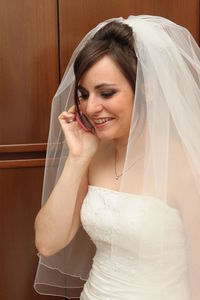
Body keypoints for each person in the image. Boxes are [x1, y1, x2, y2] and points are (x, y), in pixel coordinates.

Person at [34, 15, 200, 300]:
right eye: (83, 94)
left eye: (106, 93)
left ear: (147, 88)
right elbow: (47, 243)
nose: (90, 107)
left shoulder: (186, 165)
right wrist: (78, 158)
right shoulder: (92, 156)